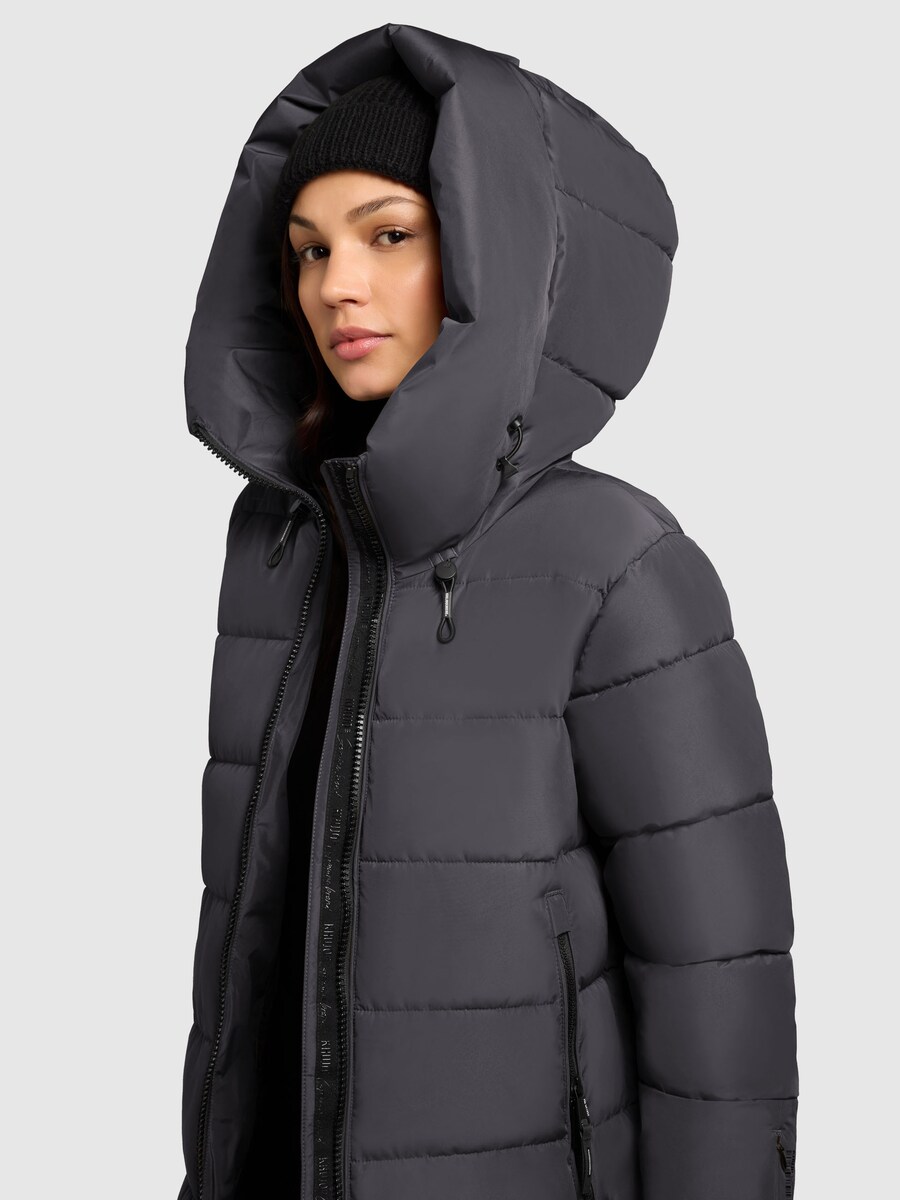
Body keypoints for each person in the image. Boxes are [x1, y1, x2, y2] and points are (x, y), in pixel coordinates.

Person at [176, 24, 799, 1200]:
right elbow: (247, 932)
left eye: (389, 235)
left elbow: (718, 997)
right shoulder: (278, 543)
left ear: (487, 256)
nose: (336, 286)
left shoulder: (616, 566)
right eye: (308, 250)